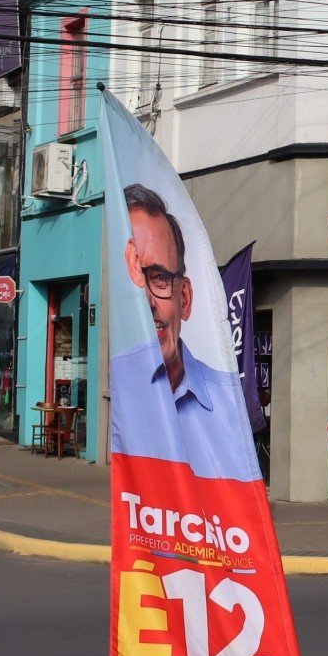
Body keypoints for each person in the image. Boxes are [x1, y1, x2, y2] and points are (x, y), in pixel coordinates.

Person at [108, 183, 259, 482]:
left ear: (185, 298)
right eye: (132, 280)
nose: (146, 302)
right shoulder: (118, 381)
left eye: (159, 278)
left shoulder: (227, 399)